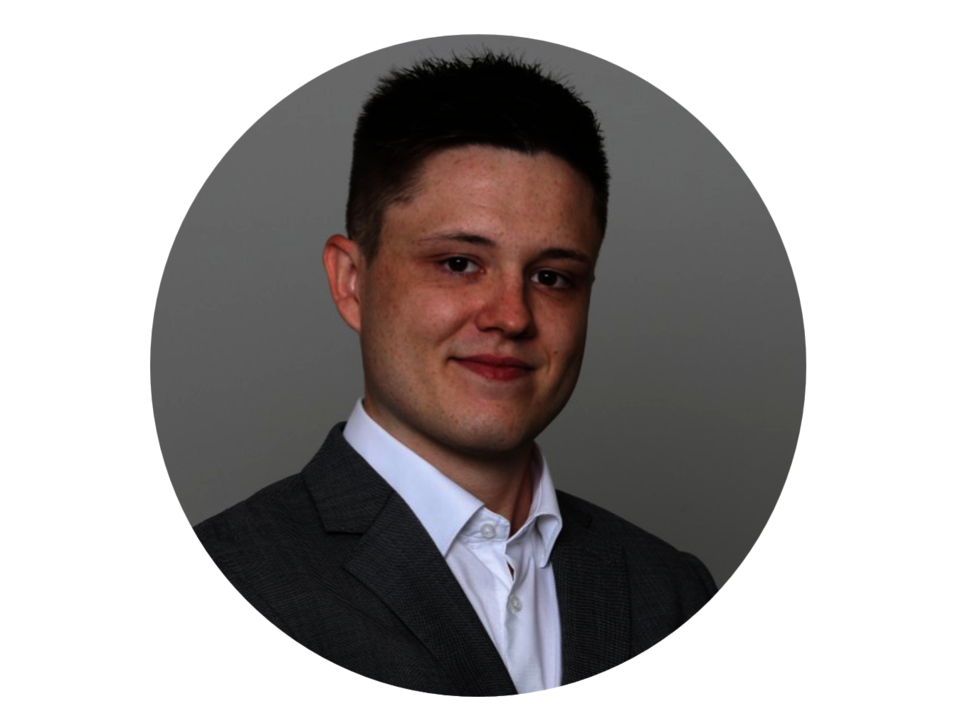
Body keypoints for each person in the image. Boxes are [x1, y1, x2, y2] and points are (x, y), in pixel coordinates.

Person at [195, 52, 717, 696]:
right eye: (459, 264)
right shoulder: (224, 584)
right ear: (352, 282)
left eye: (551, 276)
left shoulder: (675, 594)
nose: (511, 316)